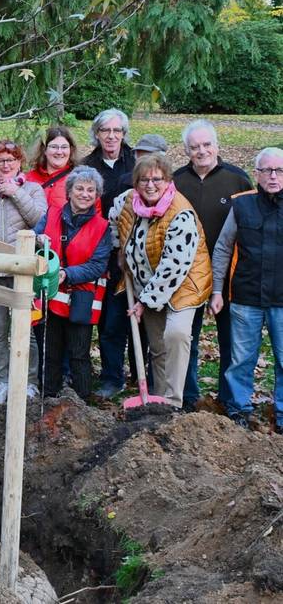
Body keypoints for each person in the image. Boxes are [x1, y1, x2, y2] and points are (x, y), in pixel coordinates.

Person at [109, 153, 212, 409]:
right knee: (157, 345)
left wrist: (144, 302)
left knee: (175, 335)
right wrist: (118, 248)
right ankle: (156, 400)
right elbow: (115, 219)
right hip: (146, 280)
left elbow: (173, 267)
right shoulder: (128, 201)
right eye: (144, 179)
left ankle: (173, 401)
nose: (150, 185)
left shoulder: (180, 213)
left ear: (168, 181)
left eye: (157, 179)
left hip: (184, 283)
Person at [173, 119, 251, 411]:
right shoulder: (177, 181)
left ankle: (230, 399)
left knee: (230, 341)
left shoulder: (237, 180)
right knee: (187, 339)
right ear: (186, 150)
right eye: (194, 147)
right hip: (187, 273)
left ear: (217, 146)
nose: (201, 151)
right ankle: (188, 397)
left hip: (229, 274)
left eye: (206, 145)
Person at [210, 147, 283, 433]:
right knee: (241, 360)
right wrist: (217, 290)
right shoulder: (241, 205)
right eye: (267, 170)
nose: (273, 176)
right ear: (257, 174)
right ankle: (239, 410)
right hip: (245, 298)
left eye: (279, 170)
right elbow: (223, 248)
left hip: (282, 300)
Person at [0, 140, 47, 404]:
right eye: (1, 160)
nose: (6, 165)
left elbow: (39, 220)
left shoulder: (33, 189)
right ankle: (3, 380)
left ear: (20, 163)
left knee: (25, 329)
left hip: (23, 272)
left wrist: (15, 194)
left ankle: (28, 382)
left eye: (11, 160)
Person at [34, 167, 111, 400]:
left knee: (79, 354)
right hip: (50, 294)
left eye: (91, 190)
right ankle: (48, 398)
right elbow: (31, 243)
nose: (85, 194)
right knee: (50, 351)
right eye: (80, 188)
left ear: (97, 195)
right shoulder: (51, 214)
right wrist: (37, 240)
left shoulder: (103, 227)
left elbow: (98, 265)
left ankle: (82, 403)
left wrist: (68, 273)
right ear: (69, 191)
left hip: (82, 297)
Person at [84, 108, 136, 399]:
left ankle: (141, 376)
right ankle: (111, 377)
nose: (112, 136)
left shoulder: (136, 161)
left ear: (124, 134)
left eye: (117, 131)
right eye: (106, 131)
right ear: (97, 134)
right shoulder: (89, 165)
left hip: (136, 253)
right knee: (110, 321)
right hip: (103, 254)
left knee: (138, 322)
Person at [26, 126, 78, 213]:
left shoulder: (80, 180)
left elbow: (93, 218)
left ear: (71, 150)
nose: (59, 152)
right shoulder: (28, 179)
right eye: (54, 147)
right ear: (44, 150)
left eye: (64, 147)